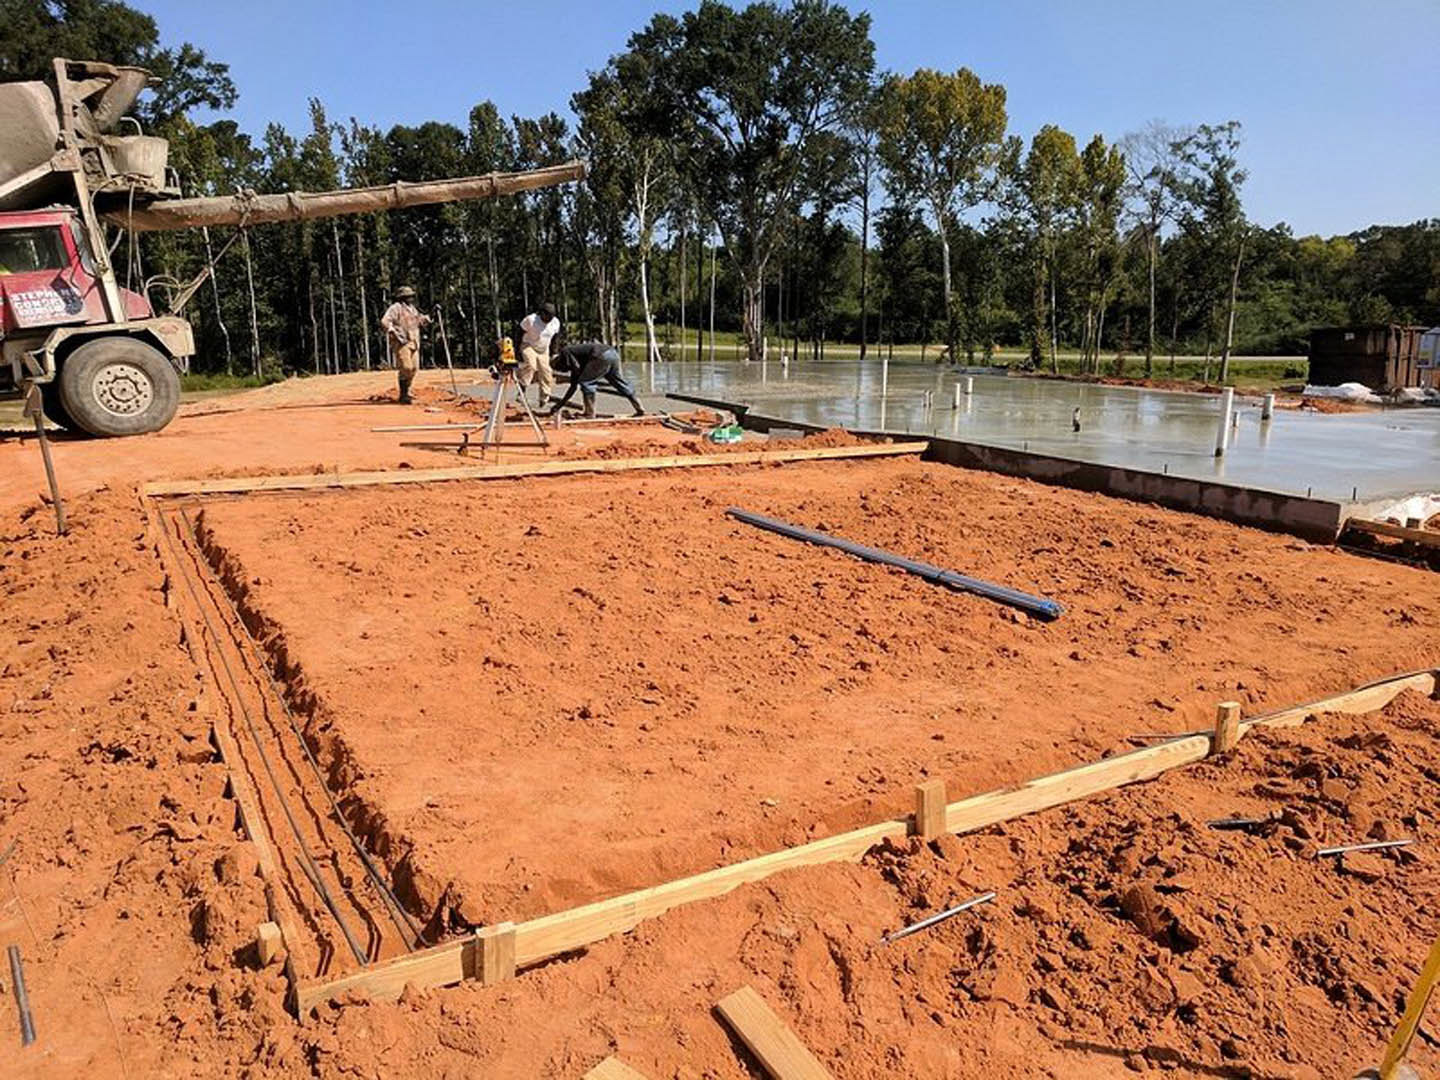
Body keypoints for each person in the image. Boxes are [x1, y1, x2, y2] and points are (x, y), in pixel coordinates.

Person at [548, 342, 645, 419]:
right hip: (612, 353)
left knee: (586, 383)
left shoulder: (566, 352)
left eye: (559, 368)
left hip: (600, 355)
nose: (563, 371)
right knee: (618, 382)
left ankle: (589, 414)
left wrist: (578, 378)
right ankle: (639, 408)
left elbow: (577, 372)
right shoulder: (576, 359)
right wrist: (559, 405)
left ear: (558, 361)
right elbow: (572, 387)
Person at [380, 285, 430, 403]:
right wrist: (391, 330)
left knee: (414, 368)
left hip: (414, 342)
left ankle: (407, 390)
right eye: (408, 296)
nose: (410, 298)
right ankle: (403, 394)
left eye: (411, 296)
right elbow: (385, 321)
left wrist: (428, 317)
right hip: (402, 342)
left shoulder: (412, 309)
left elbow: (419, 320)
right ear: (402, 297)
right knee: (406, 367)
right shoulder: (395, 308)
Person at [516, 301, 560, 411]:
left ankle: (544, 397)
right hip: (528, 345)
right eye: (548, 316)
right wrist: (517, 350)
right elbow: (519, 333)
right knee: (531, 365)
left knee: (546, 371)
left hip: (543, 349)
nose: (549, 319)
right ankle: (522, 390)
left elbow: (555, 338)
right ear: (542, 314)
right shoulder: (531, 320)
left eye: (551, 317)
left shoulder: (555, 323)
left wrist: (554, 353)